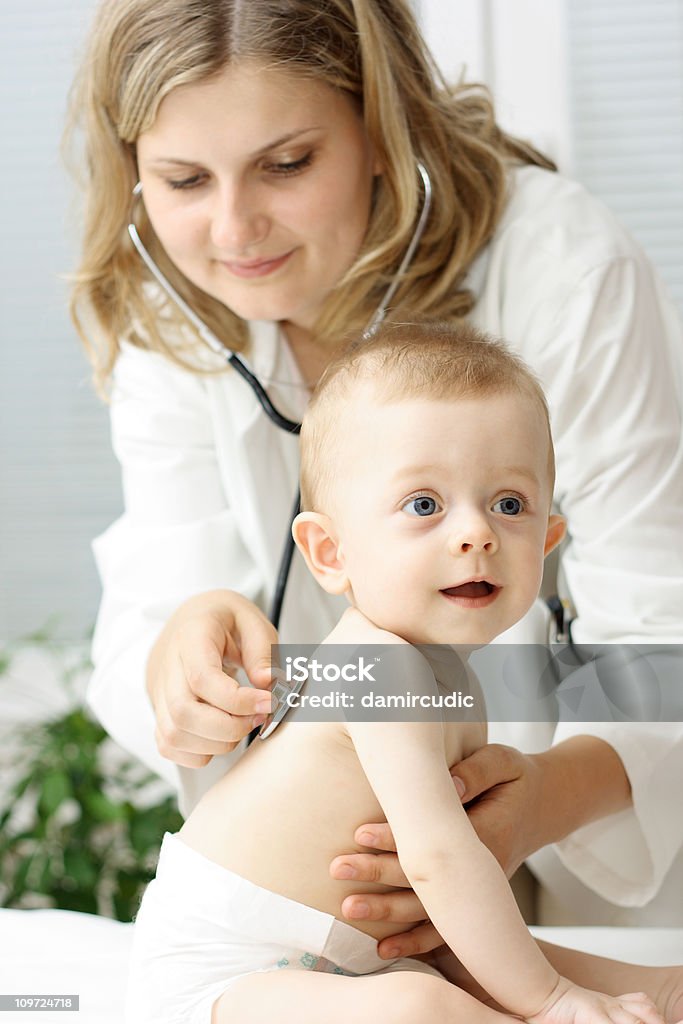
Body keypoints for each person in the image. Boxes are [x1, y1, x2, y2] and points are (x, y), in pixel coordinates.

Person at [66, 0, 683, 933]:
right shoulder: (173, 318)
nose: (235, 230)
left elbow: (659, 627)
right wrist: (184, 670)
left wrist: (540, 799)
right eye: (184, 178)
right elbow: (159, 602)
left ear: (383, 129)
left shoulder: (560, 268)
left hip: (573, 814)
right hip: (335, 862)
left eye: (287, 164)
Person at [126, 323, 683, 1024]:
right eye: (423, 505)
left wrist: (557, 983)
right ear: (329, 553)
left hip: (357, 952)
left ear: (546, 540)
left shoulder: (451, 678)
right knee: (421, 1001)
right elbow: (441, 863)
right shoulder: (380, 667)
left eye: (508, 504)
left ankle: (659, 990)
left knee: (474, 961)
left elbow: (447, 921)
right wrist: (549, 1001)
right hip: (224, 978)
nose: (475, 533)